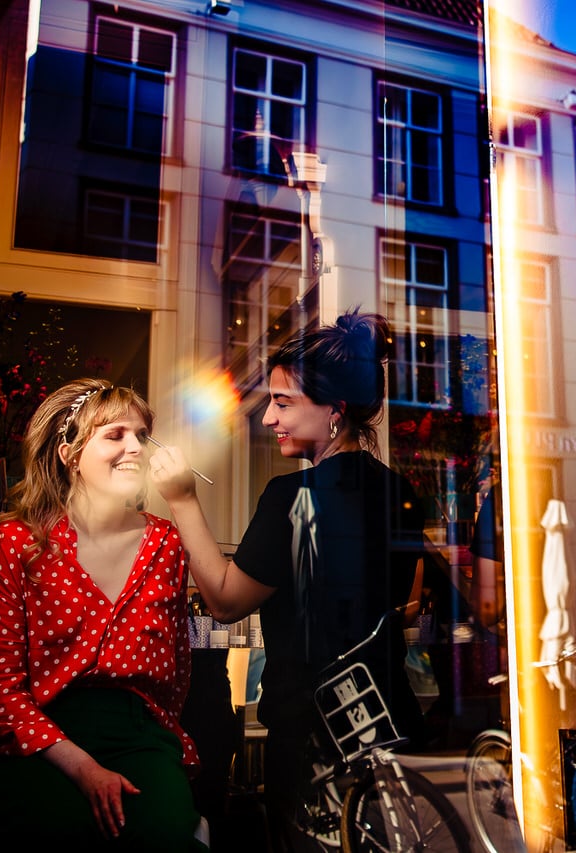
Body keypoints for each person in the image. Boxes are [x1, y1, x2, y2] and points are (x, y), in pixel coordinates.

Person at [151, 309, 426, 852]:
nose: (268, 419)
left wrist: (182, 500)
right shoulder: (401, 492)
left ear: (334, 411)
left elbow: (225, 601)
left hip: (312, 736)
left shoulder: (292, 498)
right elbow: (406, 603)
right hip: (389, 721)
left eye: (283, 403)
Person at [0, 379, 203, 852]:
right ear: (70, 454)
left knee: (161, 834)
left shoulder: (166, 543)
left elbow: (177, 671)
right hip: (38, 738)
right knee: (52, 830)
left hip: (139, 736)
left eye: (142, 435)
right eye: (115, 435)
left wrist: (156, 743)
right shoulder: (17, 543)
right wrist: (83, 766)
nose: (136, 448)